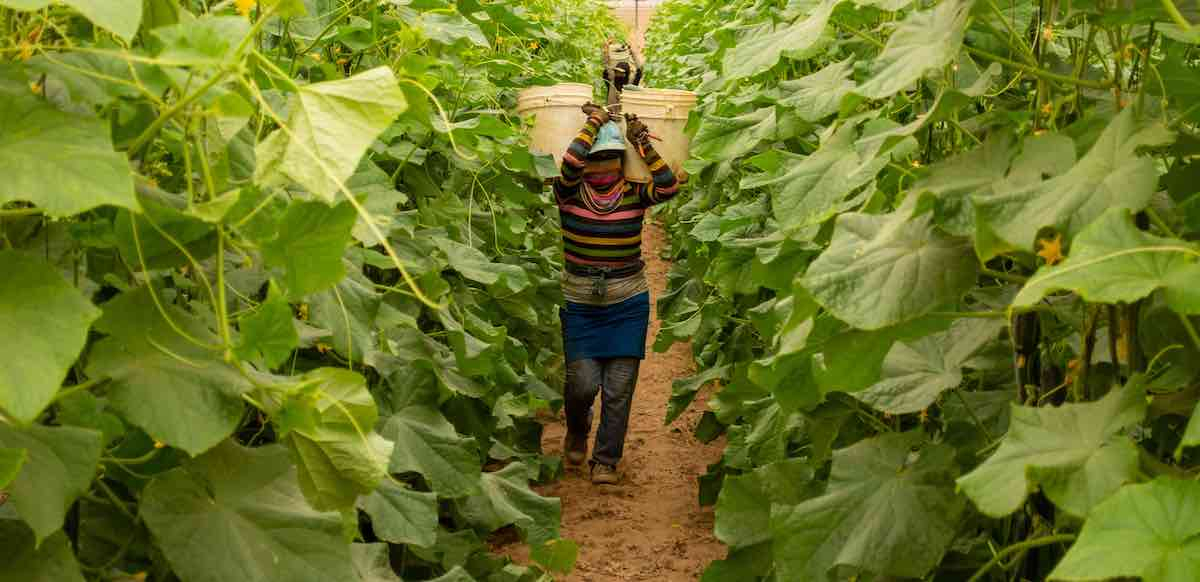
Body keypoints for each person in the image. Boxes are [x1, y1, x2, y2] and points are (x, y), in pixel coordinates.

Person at [552, 103, 681, 485]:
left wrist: (642, 143)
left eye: (611, 158)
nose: (603, 166)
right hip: (580, 302)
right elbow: (571, 162)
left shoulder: (634, 194)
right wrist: (595, 123)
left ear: (622, 162)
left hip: (627, 301)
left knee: (619, 388)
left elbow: (670, 185)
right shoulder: (568, 194)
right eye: (597, 158)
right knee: (582, 384)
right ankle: (577, 429)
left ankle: (606, 459)